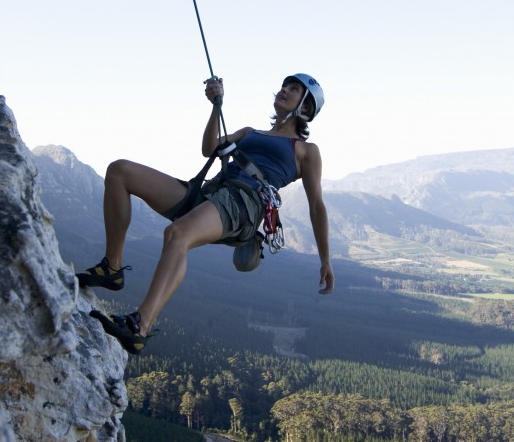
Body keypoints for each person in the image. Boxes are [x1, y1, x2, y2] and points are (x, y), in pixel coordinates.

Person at [77, 74, 334, 354]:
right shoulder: (250, 132)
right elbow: (209, 149)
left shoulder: (307, 151)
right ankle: (112, 268)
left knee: (177, 234)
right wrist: (215, 105)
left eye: (294, 89)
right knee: (120, 171)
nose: (284, 90)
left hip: (243, 204)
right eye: (286, 85)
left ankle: (140, 325)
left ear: (306, 109)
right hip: (211, 193)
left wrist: (325, 260)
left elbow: (316, 206)